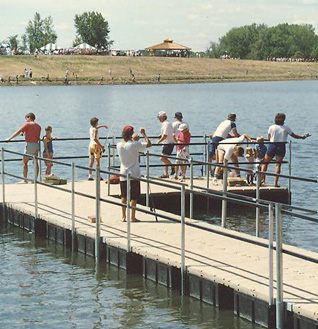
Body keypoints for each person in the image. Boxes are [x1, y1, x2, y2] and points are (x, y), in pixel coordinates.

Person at [261, 113, 308, 187]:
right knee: (278, 165)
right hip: (281, 146)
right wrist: (302, 137)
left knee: (265, 163)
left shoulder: (271, 127)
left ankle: (262, 181)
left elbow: (269, 137)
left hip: (272, 145)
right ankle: (275, 183)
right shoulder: (286, 128)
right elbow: (294, 136)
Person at [117, 126, 151, 222]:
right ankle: (132, 217)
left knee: (124, 196)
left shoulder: (119, 144)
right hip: (134, 173)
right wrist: (144, 134)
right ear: (131, 134)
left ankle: (123, 216)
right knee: (134, 196)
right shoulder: (134, 145)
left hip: (123, 172)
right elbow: (149, 144)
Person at [6, 112, 41, 183]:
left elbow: (18, 132)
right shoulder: (38, 126)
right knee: (36, 162)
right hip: (36, 145)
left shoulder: (27, 124)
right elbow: (36, 136)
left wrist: (9, 138)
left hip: (30, 145)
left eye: (26, 119)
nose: (26, 121)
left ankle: (25, 179)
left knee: (25, 162)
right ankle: (35, 179)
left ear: (29, 118)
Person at [157, 111, 175, 178]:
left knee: (162, 158)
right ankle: (166, 173)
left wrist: (159, 141)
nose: (158, 118)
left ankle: (172, 166)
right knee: (164, 158)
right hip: (167, 143)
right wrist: (161, 135)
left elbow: (165, 135)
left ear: (162, 117)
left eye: (159, 117)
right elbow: (165, 133)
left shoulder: (166, 124)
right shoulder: (166, 123)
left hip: (168, 143)